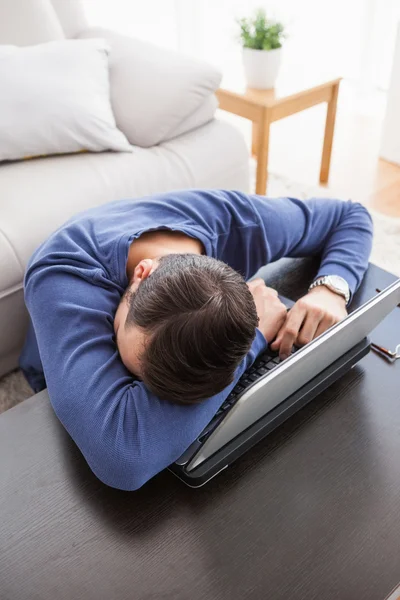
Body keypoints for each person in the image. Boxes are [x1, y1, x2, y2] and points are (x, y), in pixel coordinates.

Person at [20, 190, 373, 490]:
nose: (143, 388)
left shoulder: (238, 223)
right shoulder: (64, 277)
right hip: (51, 377)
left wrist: (332, 288)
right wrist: (256, 337)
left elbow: (349, 216)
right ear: (143, 273)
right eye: (142, 374)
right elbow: (123, 458)